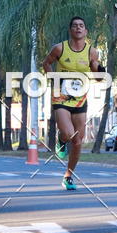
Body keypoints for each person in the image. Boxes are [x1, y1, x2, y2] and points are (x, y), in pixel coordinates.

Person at [42, 16, 101, 191]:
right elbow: (46, 63)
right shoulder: (59, 48)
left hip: (81, 99)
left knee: (77, 140)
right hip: (60, 97)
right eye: (75, 26)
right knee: (68, 134)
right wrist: (53, 79)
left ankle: (68, 176)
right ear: (70, 30)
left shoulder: (92, 52)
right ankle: (60, 139)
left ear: (86, 31)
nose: (78, 28)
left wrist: (100, 71)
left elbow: (96, 74)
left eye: (81, 26)